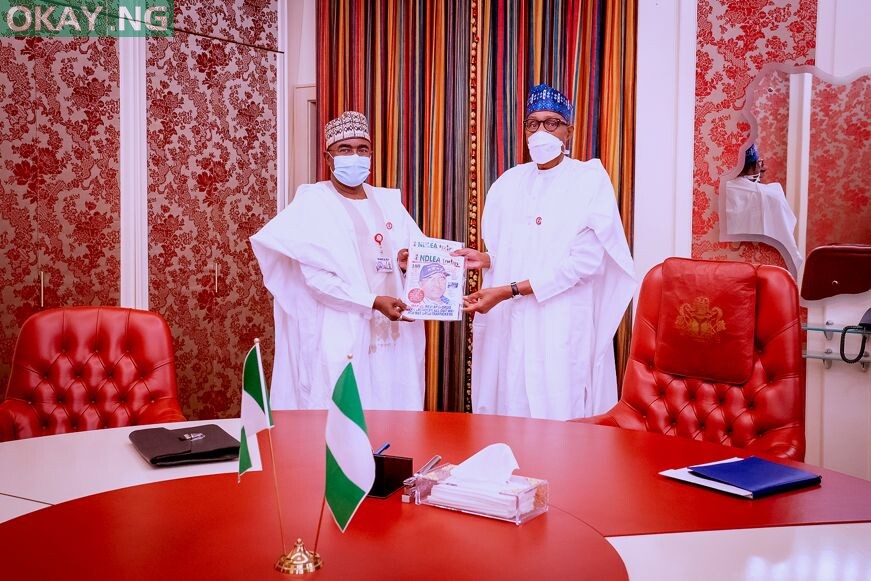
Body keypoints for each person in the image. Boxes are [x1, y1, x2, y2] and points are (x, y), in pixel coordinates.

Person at [454, 84, 636, 420]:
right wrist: (488, 259)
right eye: (533, 123)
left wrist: (509, 290)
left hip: (560, 317)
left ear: (569, 129)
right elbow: (522, 247)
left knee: (556, 404)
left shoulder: (588, 180)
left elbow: (584, 263)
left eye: (552, 123)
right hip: (510, 319)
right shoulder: (509, 182)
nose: (541, 131)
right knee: (508, 397)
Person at [250, 111, 425, 410]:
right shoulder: (313, 203)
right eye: (345, 149)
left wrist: (407, 263)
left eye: (362, 149)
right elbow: (318, 282)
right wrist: (372, 301)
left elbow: (414, 255)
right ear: (328, 158)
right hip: (341, 331)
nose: (355, 156)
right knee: (342, 426)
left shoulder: (388, 202)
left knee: (395, 415)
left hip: (392, 334)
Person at [722, 144, 802, 276]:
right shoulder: (770, 196)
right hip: (763, 277)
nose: (763, 168)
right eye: (760, 163)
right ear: (754, 166)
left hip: (720, 272)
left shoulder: (712, 193)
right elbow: (790, 253)